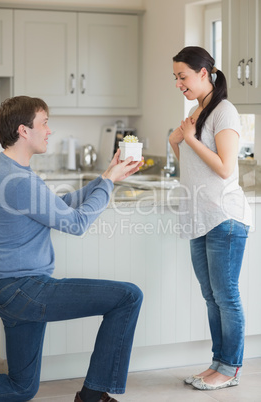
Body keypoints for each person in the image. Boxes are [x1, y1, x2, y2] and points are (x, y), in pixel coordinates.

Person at [0, 96, 144, 402]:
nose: (49, 130)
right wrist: (109, 183)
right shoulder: (18, 180)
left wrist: (105, 178)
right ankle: (92, 397)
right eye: (44, 122)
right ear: (24, 130)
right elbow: (76, 223)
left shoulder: (6, 169)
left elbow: (57, 207)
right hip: (24, 289)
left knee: (22, 388)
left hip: (8, 289)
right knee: (128, 296)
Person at [169, 46, 252, 391]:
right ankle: (217, 363)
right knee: (211, 295)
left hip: (224, 217)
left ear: (203, 73)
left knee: (226, 295)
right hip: (199, 217)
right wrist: (177, 143)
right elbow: (191, 165)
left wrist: (187, 137)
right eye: (175, 77)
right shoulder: (196, 110)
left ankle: (230, 367)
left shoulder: (225, 111)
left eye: (183, 76)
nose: (178, 83)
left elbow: (223, 168)